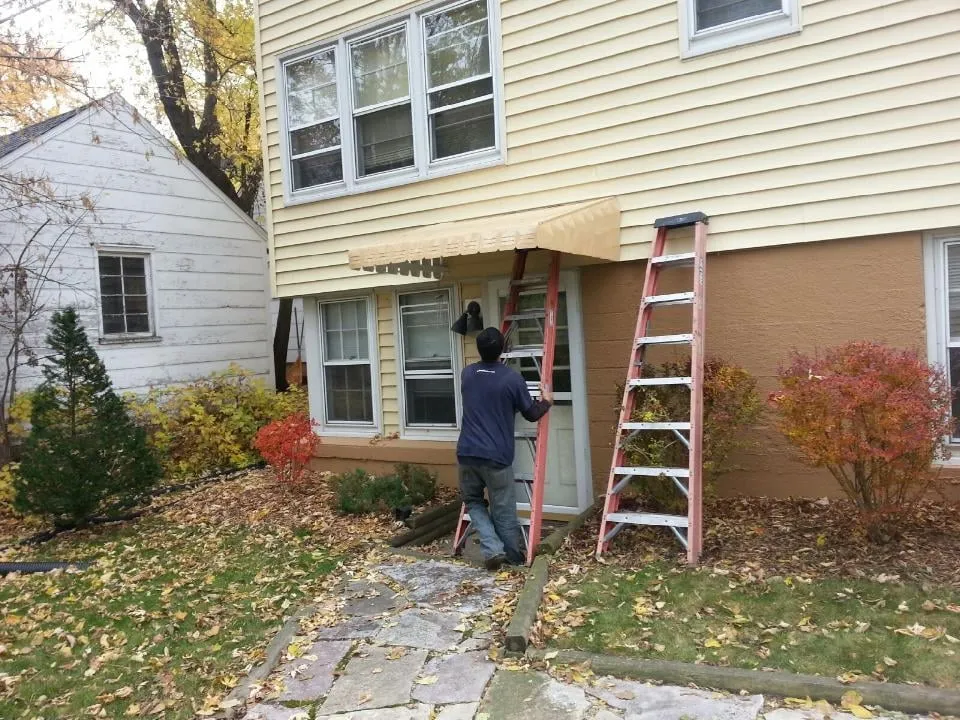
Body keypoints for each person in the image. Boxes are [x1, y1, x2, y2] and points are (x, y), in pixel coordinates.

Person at [457, 326, 553, 571]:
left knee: (473, 501)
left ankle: (492, 548)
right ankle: (511, 556)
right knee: (503, 508)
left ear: (479, 349)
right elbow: (531, 414)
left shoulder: (467, 374)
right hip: (497, 456)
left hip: (467, 452)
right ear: (503, 349)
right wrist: (546, 402)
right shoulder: (512, 379)